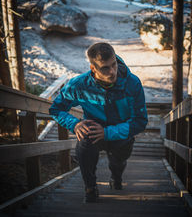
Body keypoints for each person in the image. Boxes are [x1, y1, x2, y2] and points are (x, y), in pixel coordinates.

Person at [49, 42, 148, 203]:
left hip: (122, 134)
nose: (112, 72)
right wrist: (74, 124)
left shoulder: (132, 83)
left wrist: (108, 132)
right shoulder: (78, 85)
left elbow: (140, 121)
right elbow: (56, 109)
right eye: (105, 68)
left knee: (118, 163)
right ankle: (90, 187)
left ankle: (116, 177)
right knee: (83, 142)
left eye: (114, 65)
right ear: (93, 68)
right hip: (94, 133)